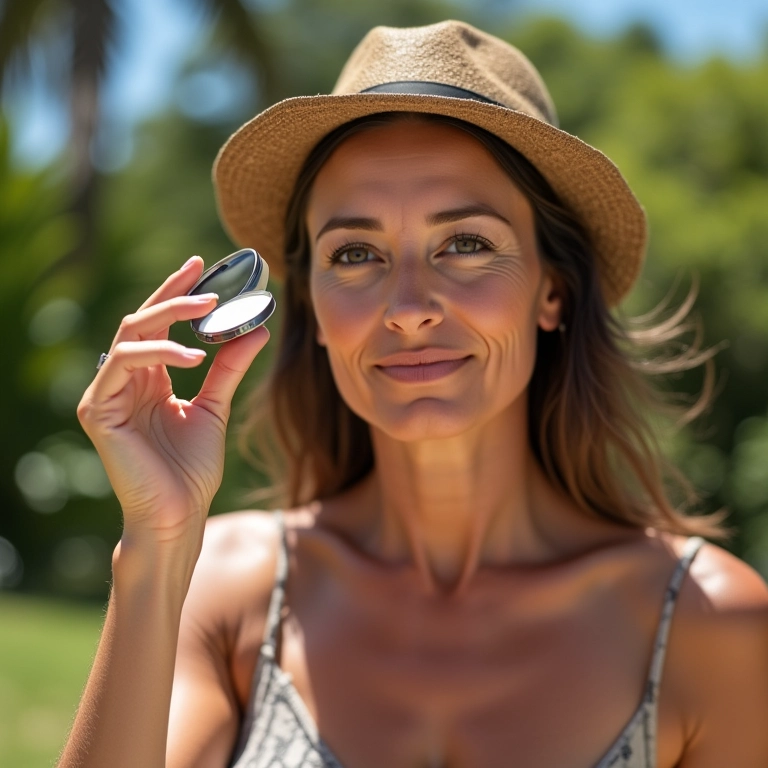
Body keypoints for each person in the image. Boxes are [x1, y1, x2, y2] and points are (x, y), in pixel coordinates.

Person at [61, 20, 768, 768]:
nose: (407, 305)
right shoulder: (224, 588)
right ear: (318, 311)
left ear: (551, 291)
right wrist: (157, 546)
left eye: (465, 243)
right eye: (356, 253)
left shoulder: (708, 623)